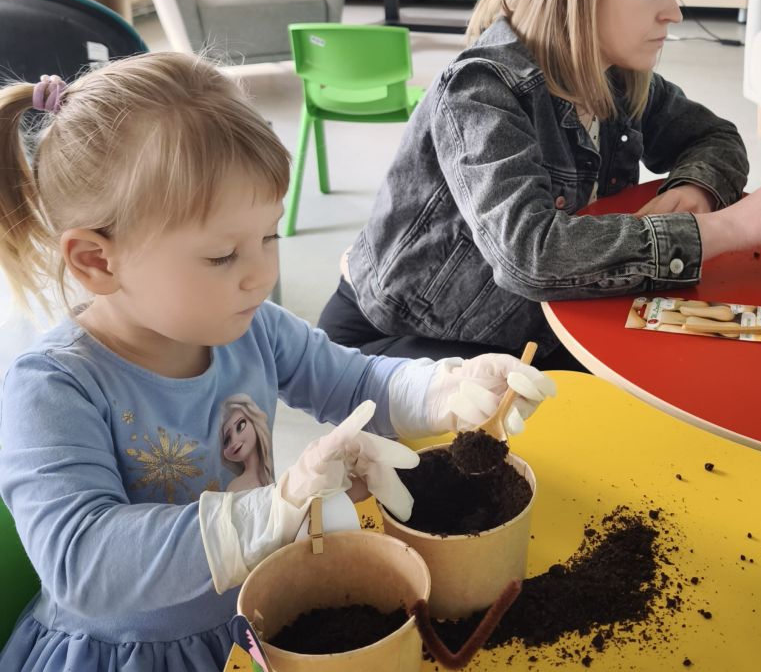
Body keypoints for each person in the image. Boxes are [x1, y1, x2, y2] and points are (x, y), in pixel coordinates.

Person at [0, 55, 554, 672]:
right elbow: (84, 561)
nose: (262, 274)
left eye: (269, 237)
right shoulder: (52, 386)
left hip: (255, 618)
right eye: (221, 256)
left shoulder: (250, 328)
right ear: (97, 262)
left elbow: (357, 380)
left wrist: (444, 388)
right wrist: (275, 508)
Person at [319, 0, 761, 370]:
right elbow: (531, 256)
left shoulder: (615, 76)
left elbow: (714, 137)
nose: (674, 10)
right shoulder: (481, 89)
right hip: (398, 343)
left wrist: (699, 189)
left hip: (534, 325)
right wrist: (727, 227)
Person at [219, 394, 273, 491]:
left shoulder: (267, 475)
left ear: (254, 421)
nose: (234, 440)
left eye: (240, 426)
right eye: (227, 440)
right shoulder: (236, 486)